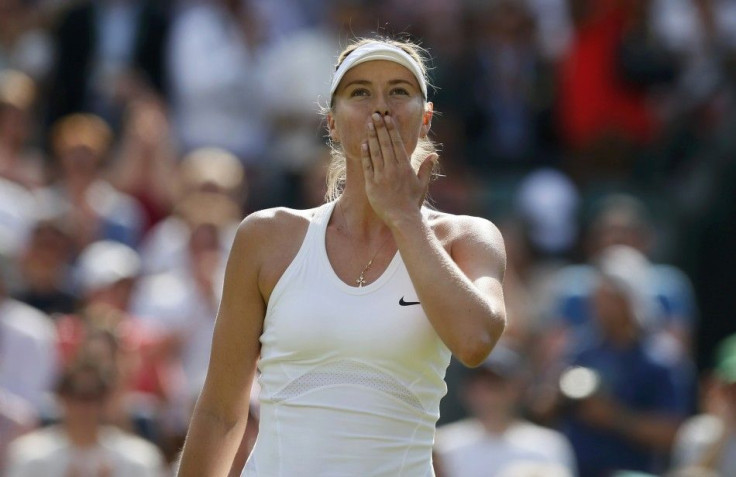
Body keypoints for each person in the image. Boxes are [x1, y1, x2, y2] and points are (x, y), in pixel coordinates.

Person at [176, 37, 508, 476]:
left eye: (399, 91)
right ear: (332, 123)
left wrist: (404, 217)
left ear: (425, 119)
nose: (381, 107)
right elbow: (220, 411)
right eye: (360, 92)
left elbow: (476, 341)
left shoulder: (466, 236)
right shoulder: (266, 235)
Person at [434, 342, 577, 477]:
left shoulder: (548, 445)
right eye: (479, 385)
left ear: (517, 389)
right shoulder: (442, 445)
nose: (487, 395)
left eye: (495, 384)